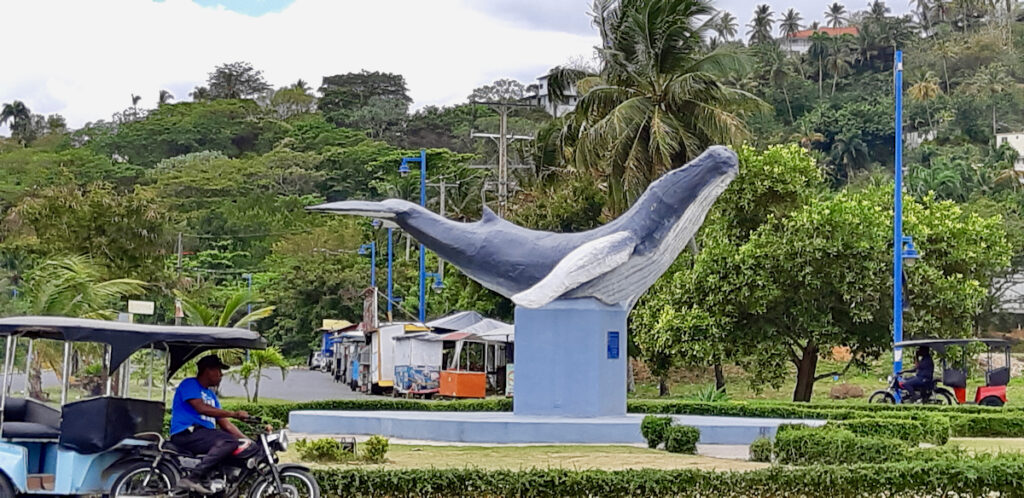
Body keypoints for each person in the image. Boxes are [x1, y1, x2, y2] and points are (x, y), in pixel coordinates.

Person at [169, 355, 249, 494]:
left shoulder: (211, 396)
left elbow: (226, 425)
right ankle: (193, 477)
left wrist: (246, 440)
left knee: (231, 444)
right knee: (228, 441)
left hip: (203, 435)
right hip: (187, 433)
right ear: (208, 371)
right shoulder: (190, 384)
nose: (221, 375)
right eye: (218, 371)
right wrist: (234, 413)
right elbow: (201, 408)